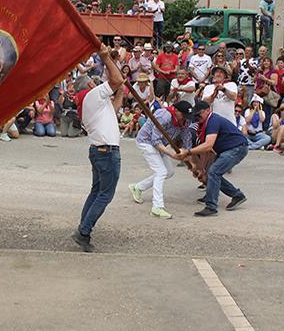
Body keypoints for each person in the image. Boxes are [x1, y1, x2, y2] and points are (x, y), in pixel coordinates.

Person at [71, 45, 124, 253]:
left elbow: (115, 107)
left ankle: (83, 227)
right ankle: (83, 232)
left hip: (100, 150)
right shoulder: (93, 95)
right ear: (90, 85)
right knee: (105, 195)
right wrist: (105, 59)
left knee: (96, 192)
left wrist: (114, 69)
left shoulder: (90, 102)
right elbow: (116, 81)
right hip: (107, 151)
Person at [127, 101, 197, 220]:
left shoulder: (185, 120)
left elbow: (187, 140)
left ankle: (138, 187)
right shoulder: (163, 116)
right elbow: (155, 141)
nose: (185, 119)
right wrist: (172, 155)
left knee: (169, 172)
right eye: (183, 115)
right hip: (146, 142)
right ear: (176, 110)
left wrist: (192, 162)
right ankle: (157, 207)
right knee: (161, 172)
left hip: (161, 144)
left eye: (187, 116)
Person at [179, 101, 248, 216]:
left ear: (207, 110)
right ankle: (237, 195)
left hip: (237, 148)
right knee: (213, 172)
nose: (197, 117)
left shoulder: (213, 121)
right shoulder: (205, 124)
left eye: (199, 114)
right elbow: (208, 151)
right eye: (195, 115)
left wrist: (188, 152)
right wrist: (202, 169)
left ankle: (211, 206)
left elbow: (208, 145)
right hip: (228, 149)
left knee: (214, 172)